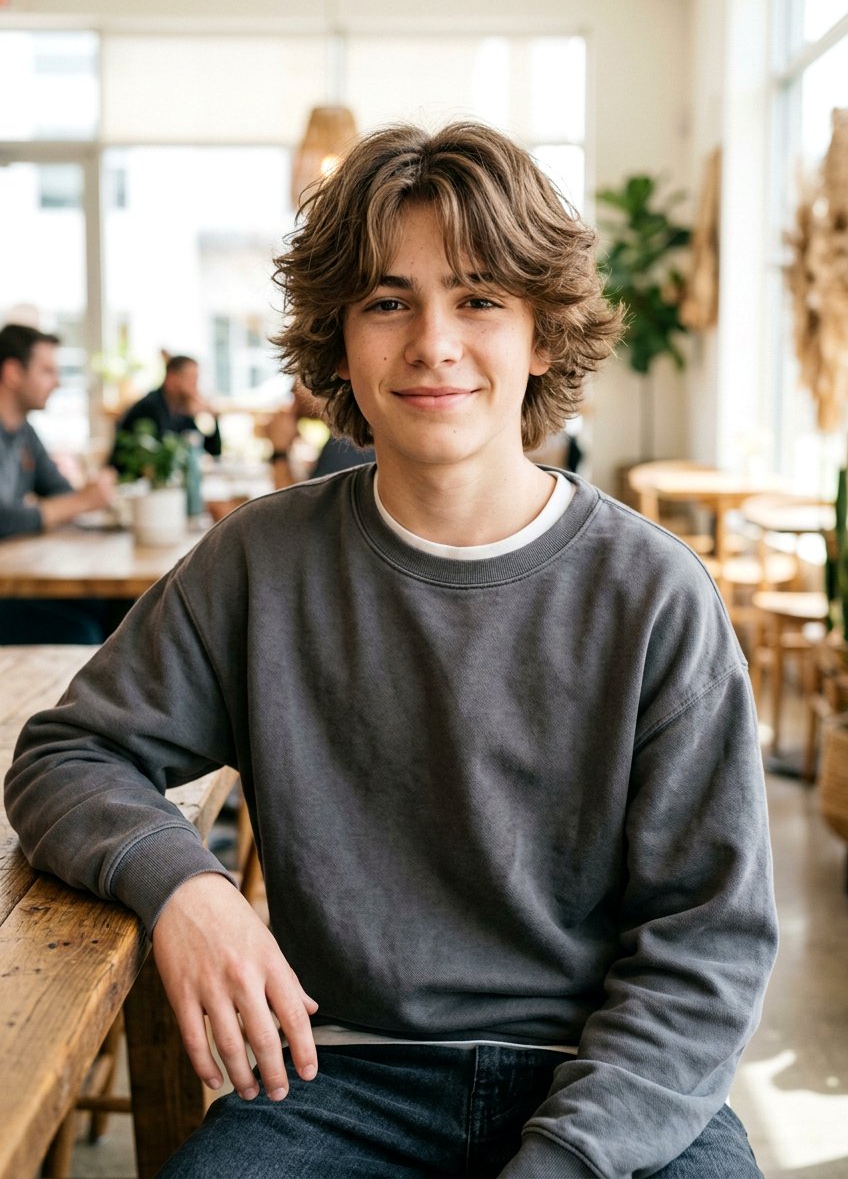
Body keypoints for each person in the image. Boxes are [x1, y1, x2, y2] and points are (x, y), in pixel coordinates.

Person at [4, 123, 777, 1178]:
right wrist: (185, 883)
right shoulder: (259, 563)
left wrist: (564, 1158)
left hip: (610, 1088)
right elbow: (62, 756)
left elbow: (709, 944)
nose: (432, 342)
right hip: (339, 1083)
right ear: (339, 337)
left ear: (541, 333)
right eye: (385, 300)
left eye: (477, 297)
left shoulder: (652, 594)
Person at [0, 323, 116, 643]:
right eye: (47, 370)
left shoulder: (24, 432)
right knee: (83, 632)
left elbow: (60, 490)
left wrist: (83, 496)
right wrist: (83, 501)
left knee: (111, 609)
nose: (58, 381)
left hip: (12, 579)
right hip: (6, 590)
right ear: (12, 372)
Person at [109, 354, 222, 473]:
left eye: (196, 380)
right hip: (130, 483)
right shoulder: (150, 406)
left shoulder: (180, 408)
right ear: (171, 378)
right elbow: (160, 457)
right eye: (191, 379)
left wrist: (212, 418)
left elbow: (213, 452)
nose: (195, 388)